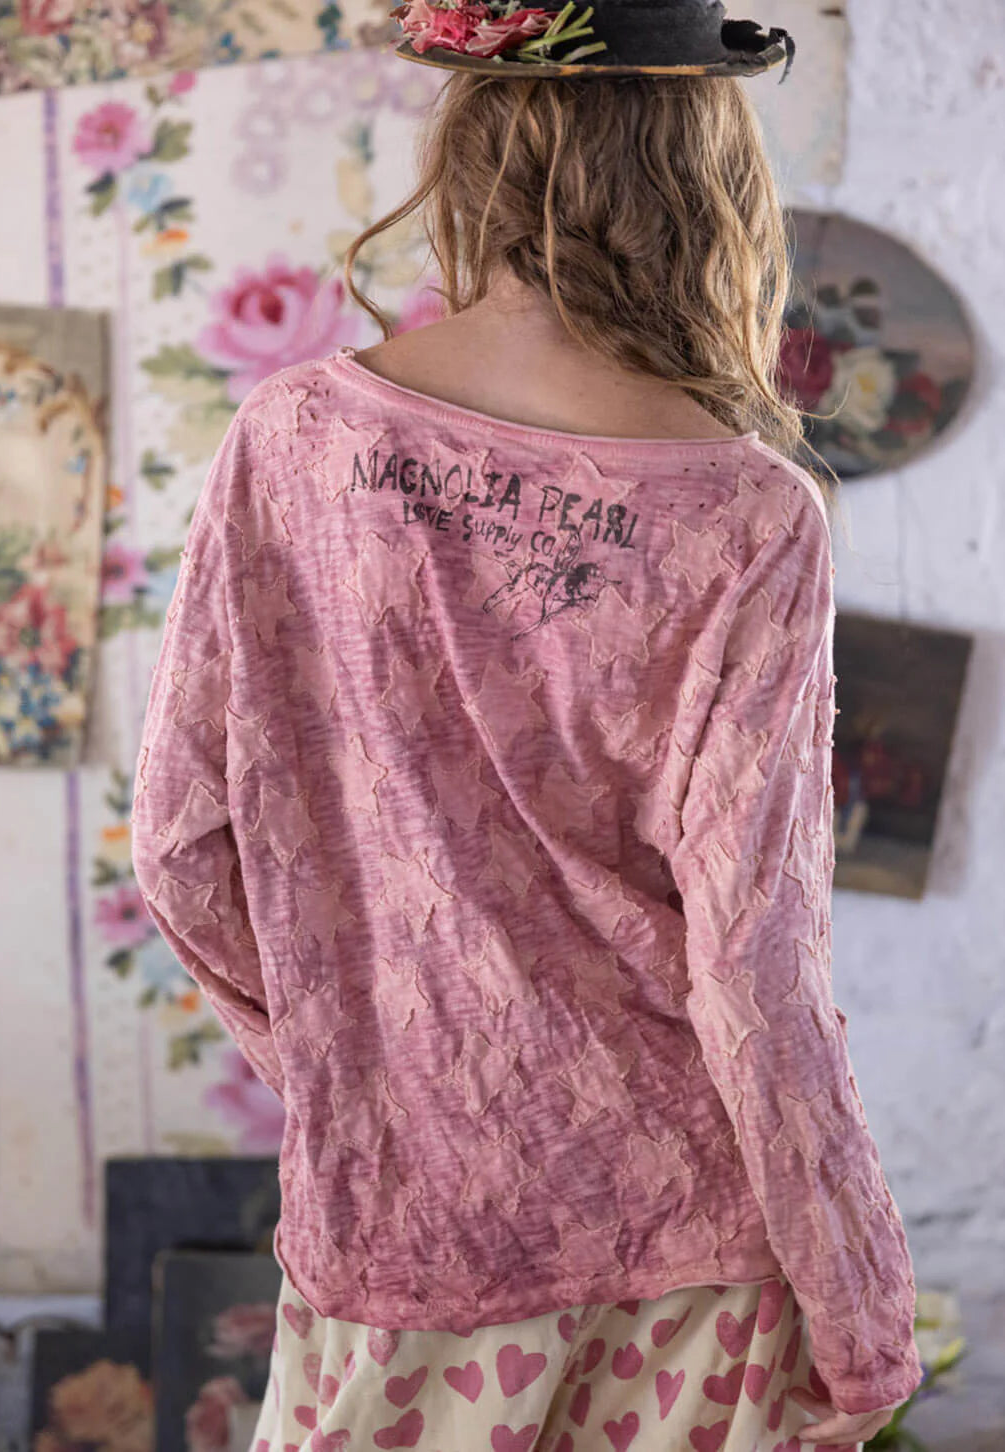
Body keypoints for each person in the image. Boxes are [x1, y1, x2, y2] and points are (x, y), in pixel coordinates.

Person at [129, 2, 926, 1449]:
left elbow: (183, 848)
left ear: (475, 149)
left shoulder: (294, 439)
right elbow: (753, 954)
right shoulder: (748, 512)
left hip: (402, 1215)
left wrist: (369, 1066)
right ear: (705, 175)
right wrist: (860, 1306)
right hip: (686, 1233)